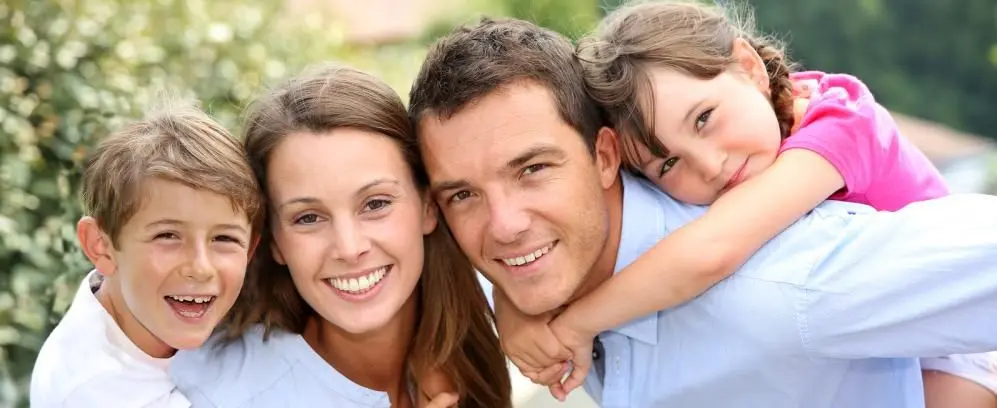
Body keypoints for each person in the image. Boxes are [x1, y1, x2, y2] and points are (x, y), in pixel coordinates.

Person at [407, 16, 997, 408]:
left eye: (533, 169)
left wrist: (572, 324)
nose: (505, 223)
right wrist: (515, 309)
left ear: (605, 158)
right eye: (463, 195)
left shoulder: (789, 271)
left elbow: (712, 254)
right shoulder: (556, 256)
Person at [169, 64, 512, 408]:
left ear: (427, 205)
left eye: (375, 204)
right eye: (308, 218)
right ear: (273, 240)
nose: (349, 248)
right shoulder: (208, 394)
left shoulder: (492, 315)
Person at [30, 99, 263, 408]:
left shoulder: (137, 301)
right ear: (101, 246)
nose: (201, 267)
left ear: (251, 250)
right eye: (168, 236)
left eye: (224, 238)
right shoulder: (96, 392)